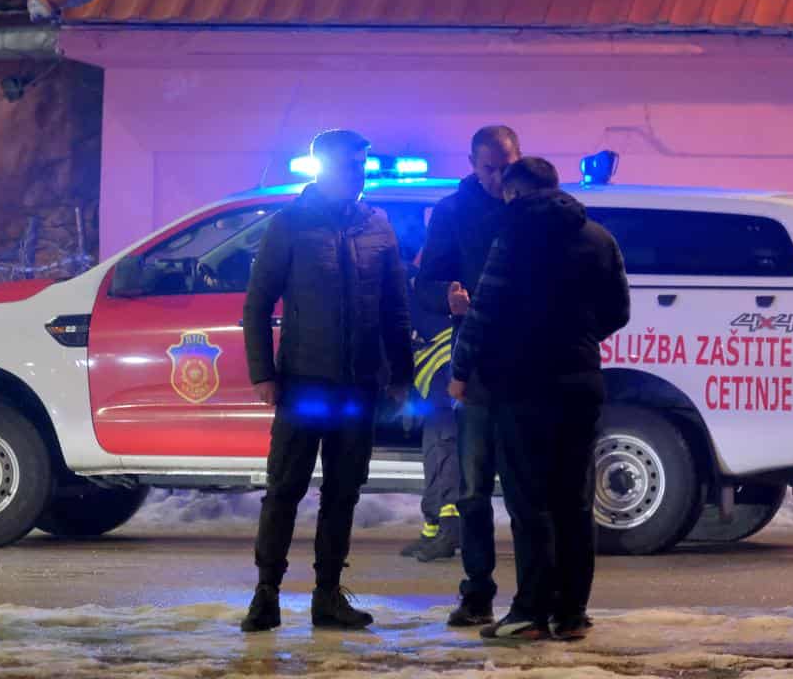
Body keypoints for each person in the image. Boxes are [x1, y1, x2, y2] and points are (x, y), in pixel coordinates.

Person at [449, 157, 630, 641]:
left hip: (522, 383)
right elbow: (618, 311)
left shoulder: (513, 237)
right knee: (573, 501)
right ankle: (571, 613)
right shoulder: (598, 236)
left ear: (515, 193)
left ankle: (529, 610)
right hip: (580, 381)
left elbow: (484, 312)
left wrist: (461, 372)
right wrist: (578, 337)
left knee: (530, 503)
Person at [240, 129, 414, 633]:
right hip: (303, 384)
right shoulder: (289, 225)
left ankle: (328, 596)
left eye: (363, 165)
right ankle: (266, 593)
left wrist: (400, 374)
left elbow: (394, 309)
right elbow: (256, 306)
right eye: (349, 166)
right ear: (324, 168)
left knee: (343, 493)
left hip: (358, 387)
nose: (358, 174)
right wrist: (264, 374)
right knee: (285, 490)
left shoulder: (377, 227)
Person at [412, 126, 521, 623]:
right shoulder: (454, 212)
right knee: (474, 488)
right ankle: (477, 594)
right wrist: (446, 299)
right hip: (475, 363)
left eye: (505, 165)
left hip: (529, 365)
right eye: (488, 168)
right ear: (473, 164)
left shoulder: (537, 207)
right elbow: (426, 281)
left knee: (527, 491)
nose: (497, 177)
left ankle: (537, 599)